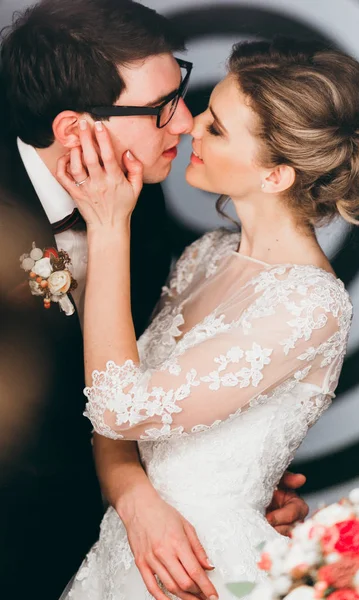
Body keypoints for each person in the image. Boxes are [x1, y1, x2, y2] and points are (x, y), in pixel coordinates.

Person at [57, 37, 359, 600]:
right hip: (128, 545)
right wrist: (136, 499)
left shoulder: (310, 305)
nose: (191, 127)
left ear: (275, 176)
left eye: (215, 127)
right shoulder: (207, 255)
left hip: (203, 569)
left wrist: (108, 225)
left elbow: (118, 405)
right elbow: (109, 415)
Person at [0, 2, 307, 599]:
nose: (188, 124)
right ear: (73, 131)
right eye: (162, 109)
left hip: (132, 546)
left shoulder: (145, 187)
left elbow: (149, 363)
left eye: (183, 94)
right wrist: (137, 494)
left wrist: (226, 483)